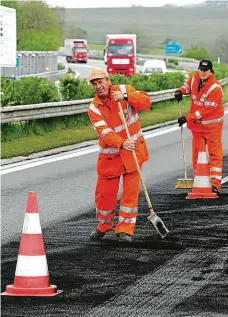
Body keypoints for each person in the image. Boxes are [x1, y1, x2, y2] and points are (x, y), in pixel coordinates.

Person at [87, 68, 151, 242]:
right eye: (94, 84)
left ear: (108, 81)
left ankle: (125, 230)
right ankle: (103, 226)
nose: (98, 86)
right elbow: (104, 133)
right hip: (110, 159)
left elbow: (146, 103)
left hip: (133, 154)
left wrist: (126, 98)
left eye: (100, 82)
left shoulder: (125, 90)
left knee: (130, 194)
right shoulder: (94, 108)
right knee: (104, 196)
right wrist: (121, 143)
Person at [174, 59, 224, 195]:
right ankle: (198, 179)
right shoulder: (195, 77)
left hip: (212, 126)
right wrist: (180, 91)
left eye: (205, 70)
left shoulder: (215, 88)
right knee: (197, 154)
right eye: (201, 69)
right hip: (197, 127)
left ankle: (215, 184)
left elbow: (205, 110)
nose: (202, 72)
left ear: (210, 71)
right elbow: (186, 87)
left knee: (215, 155)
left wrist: (187, 117)